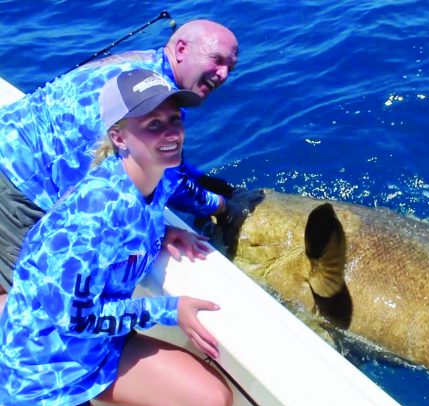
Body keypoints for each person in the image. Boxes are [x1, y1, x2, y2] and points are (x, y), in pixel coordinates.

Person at [0, 69, 233, 406]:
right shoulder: (94, 216)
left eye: (175, 118)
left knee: (212, 396)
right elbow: (79, 317)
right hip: (46, 368)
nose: (172, 132)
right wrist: (170, 309)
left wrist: (161, 230)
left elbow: (139, 218)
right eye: (154, 124)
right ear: (119, 137)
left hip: (99, 343)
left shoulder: (158, 178)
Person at [0, 19, 254, 291]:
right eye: (217, 60)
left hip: (10, 143)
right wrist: (223, 207)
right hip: (19, 187)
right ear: (181, 49)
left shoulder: (138, 68)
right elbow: (169, 182)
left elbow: (161, 163)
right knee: (36, 306)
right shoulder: (152, 97)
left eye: (231, 67)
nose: (224, 74)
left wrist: (201, 177)